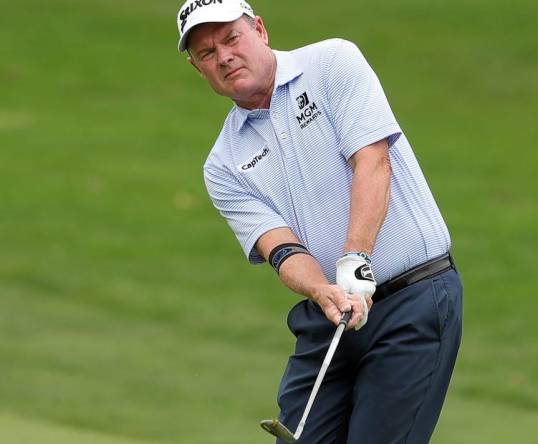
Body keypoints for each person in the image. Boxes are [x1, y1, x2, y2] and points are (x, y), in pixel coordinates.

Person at [176, 1, 463, 442]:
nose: (225, 57)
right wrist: (321, 289)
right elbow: (282, 248)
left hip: (413, 300)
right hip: (329, 315)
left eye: (231, 39)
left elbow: (373, 161)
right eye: (207, 53)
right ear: (199, 70)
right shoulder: (223, 164)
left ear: (260, 30)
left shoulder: (331, 63)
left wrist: (356, 258)